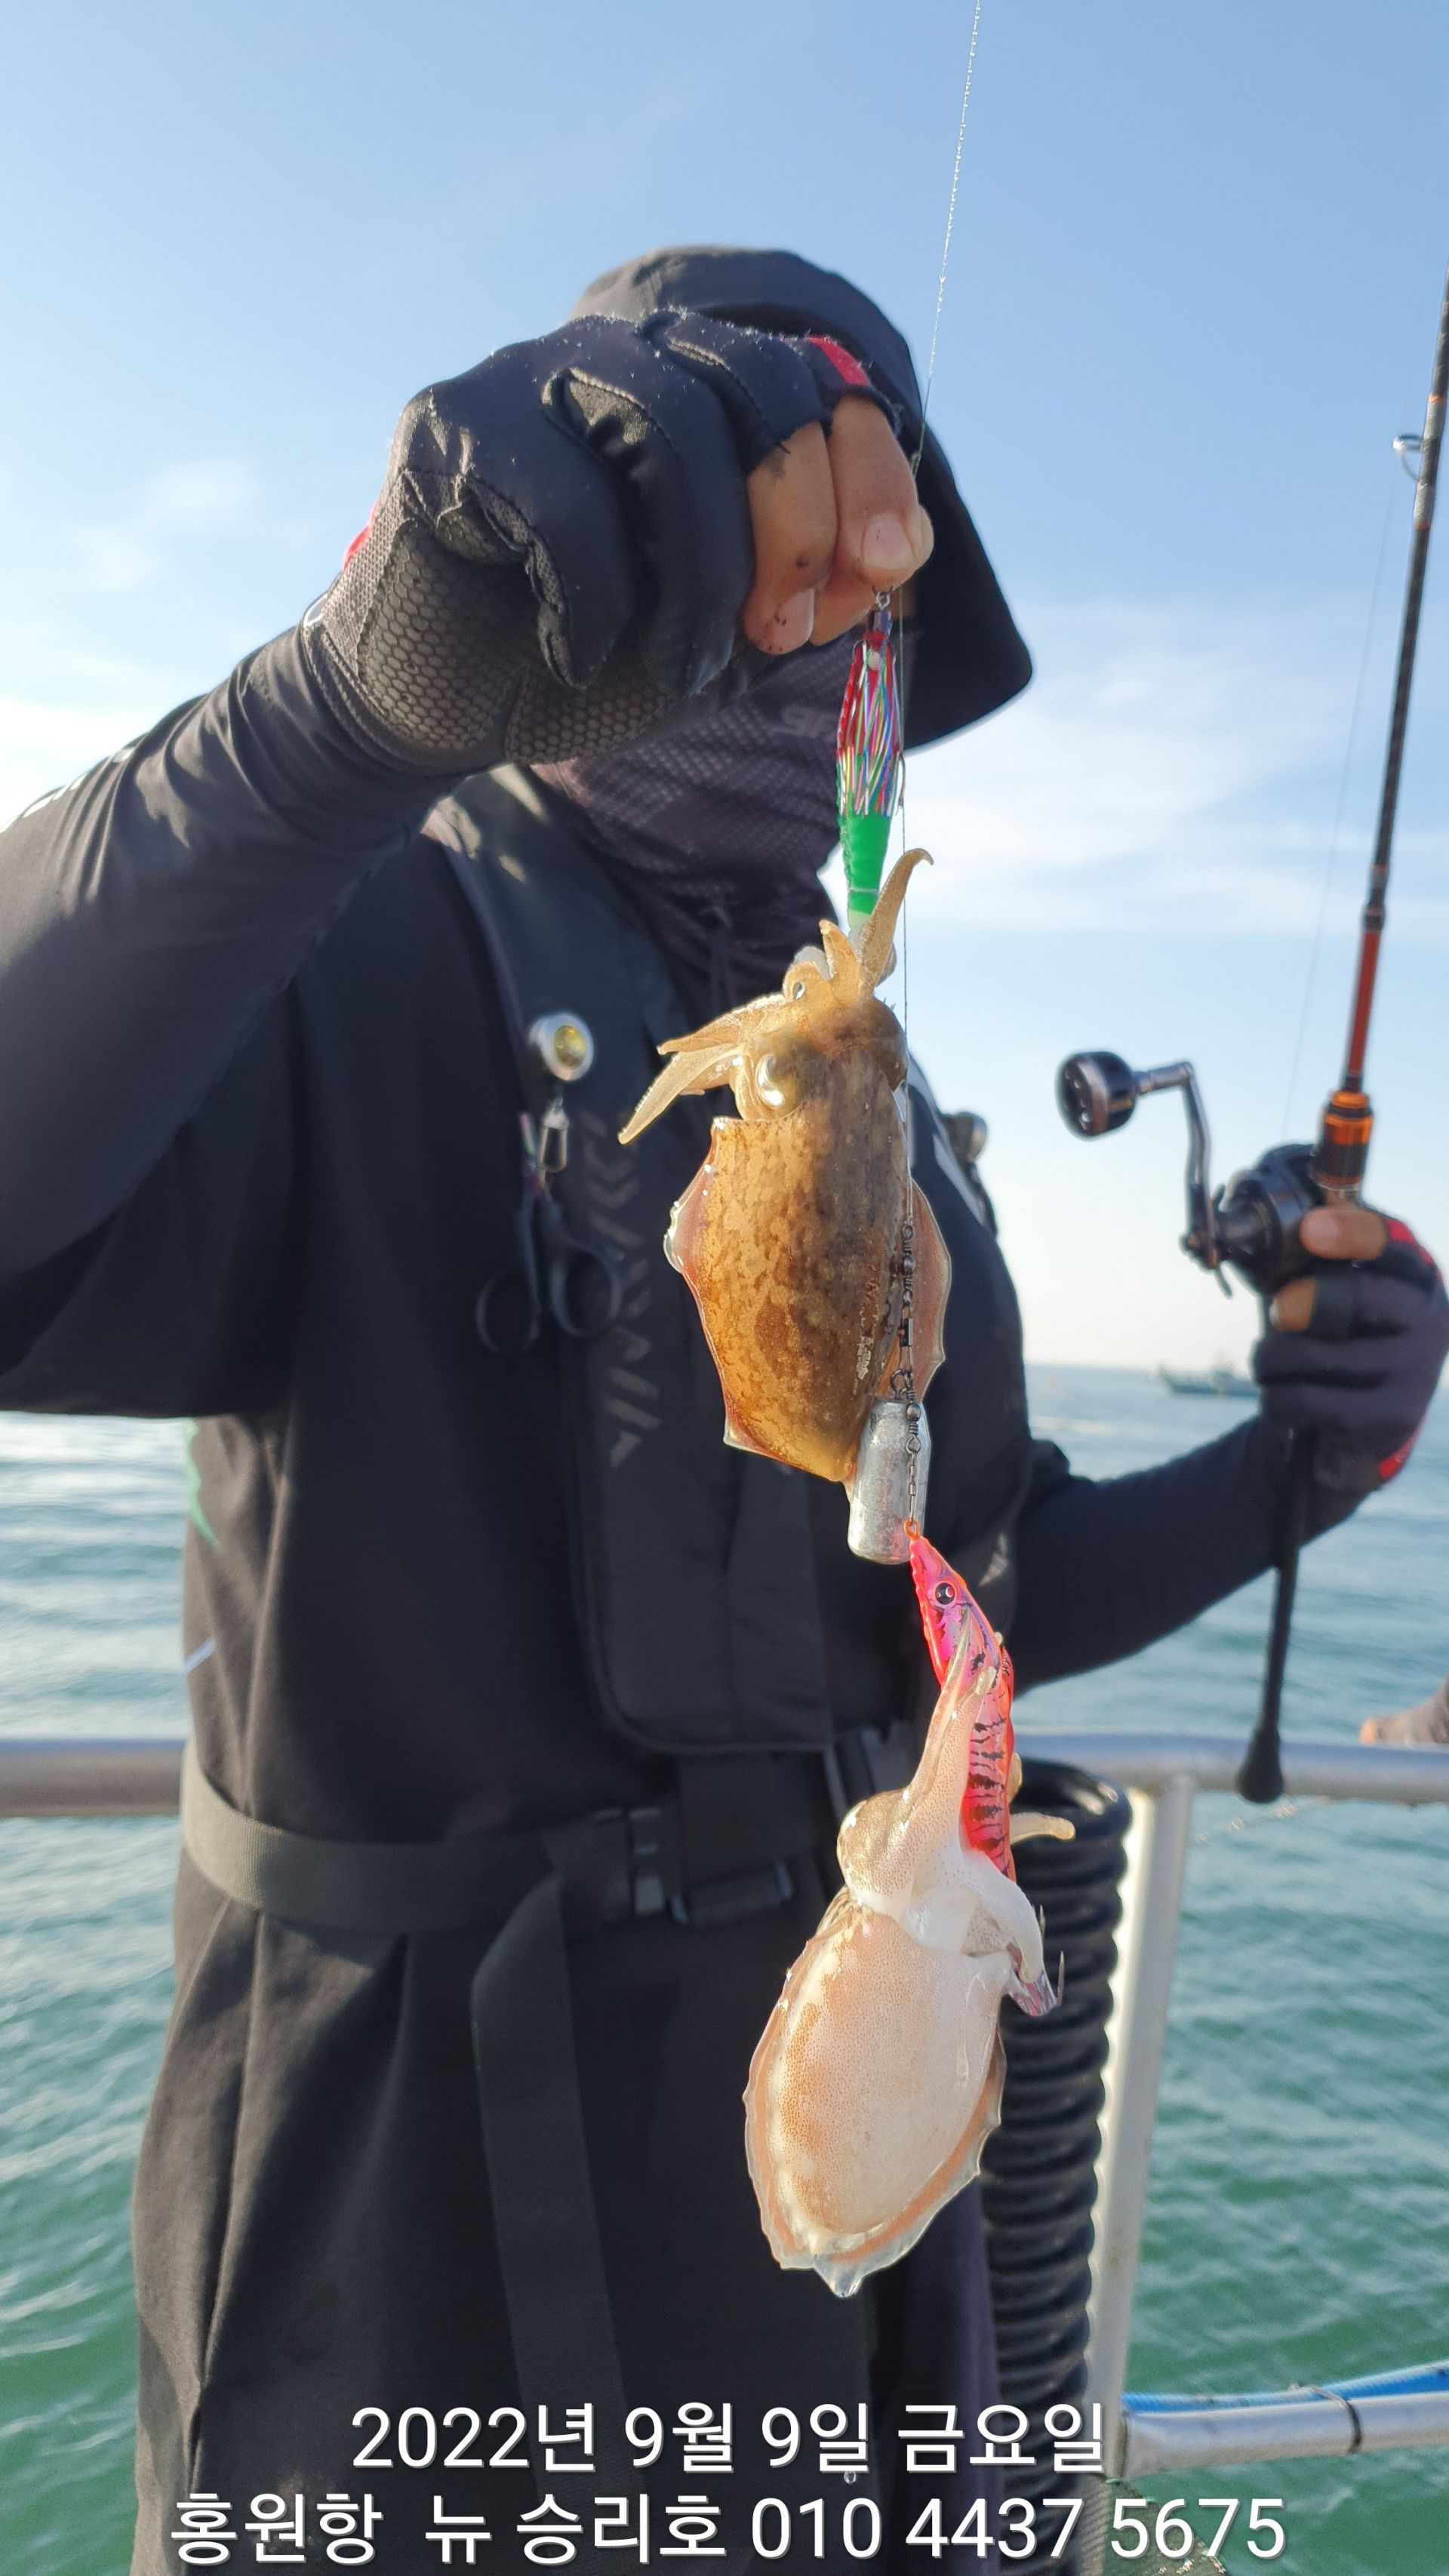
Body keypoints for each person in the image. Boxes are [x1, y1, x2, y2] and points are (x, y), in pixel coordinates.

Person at [1, 244, 1444, 2576]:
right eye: (746, 560)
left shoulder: (880, 1104)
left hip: (833, 2219)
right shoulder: (333, 946)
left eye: (869, 595)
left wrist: (1304, 1462)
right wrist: (335, 717)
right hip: (403, 2236)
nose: (823, 639)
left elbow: (969, 1592)